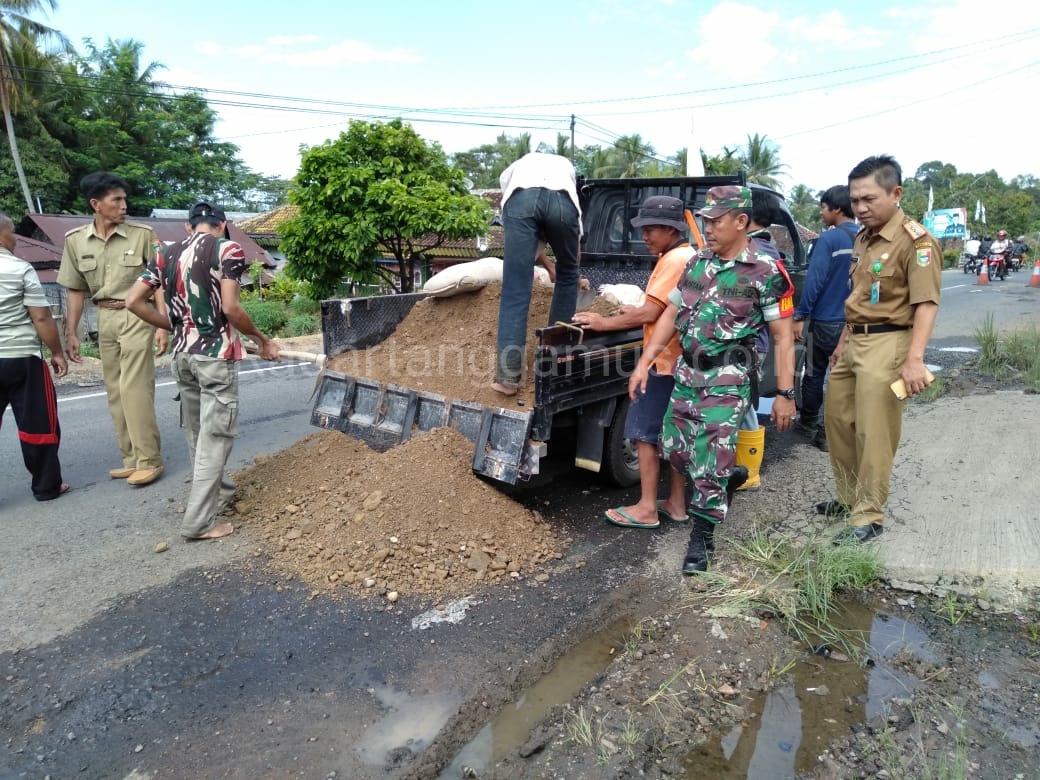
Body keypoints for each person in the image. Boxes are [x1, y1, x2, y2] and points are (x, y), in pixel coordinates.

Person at [630, 186, 796, 574]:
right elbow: (670, 314)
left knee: (707, 459)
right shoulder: (698, 263)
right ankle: (728, 475)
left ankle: (701, 542)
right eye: (704, 220)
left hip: (728, 377)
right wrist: (644, 363)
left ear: (740, 221)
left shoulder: (766, 270)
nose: (708, 228)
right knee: (673, 448)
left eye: (716, 220)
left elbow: (784, 335)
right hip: (687, 373)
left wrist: (786, 393)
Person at [127, 202, 280, 540]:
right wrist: (262, 340)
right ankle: (198, 523)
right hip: (213, 357)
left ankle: (220, 494)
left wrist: (175, 325)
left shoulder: (166, 252)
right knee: (216, 438)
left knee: (197, 434)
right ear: (222, 225)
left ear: (188, 227)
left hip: (182, 357)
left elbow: (133, 301)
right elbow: (230, 307)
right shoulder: (228, 248)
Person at [819, 155, 941, 544]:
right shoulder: (862, 237)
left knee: (874, 431)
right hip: (854, 338)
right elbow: (857, 295)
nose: (860, 207)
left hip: (890, 341)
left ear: (896, 193)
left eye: (869, 199)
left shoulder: (916, 241)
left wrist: (915, 360)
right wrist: (842, 343)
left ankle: (869, 514)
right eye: (855, 200)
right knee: (837, 420)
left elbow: (926, 303)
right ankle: (849, 497)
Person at [571, 196, 703, 529]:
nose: (644, 236)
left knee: (645, 434)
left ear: (671, 229)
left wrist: (602, 323)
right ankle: (675, 504)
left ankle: (646, 508)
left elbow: (653, 312)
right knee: (675, 435)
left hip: (663, 362)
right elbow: (653, 309)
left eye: (650, 229)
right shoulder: (686, 255)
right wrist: (634, 314)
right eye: (642, 229)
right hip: (680, 361)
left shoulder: (676, 259)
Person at [57, 172, 167, 486]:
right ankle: (131, 459)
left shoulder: (142, 234)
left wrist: (162, 323)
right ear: (96, 204)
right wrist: (71, 332)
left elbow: (158, 281)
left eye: (124, 198)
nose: (123, 205)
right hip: (104, 317)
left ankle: (149, 459)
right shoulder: (76, 241)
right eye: (116, 200)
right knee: (116, 392)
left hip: (138, 313)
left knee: (135, 388)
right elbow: (75, 290)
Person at [492, 152, 582, 396]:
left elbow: (528, 247)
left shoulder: (515, 173)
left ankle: (508, 378)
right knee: (568, 275)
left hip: (521, 200)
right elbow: (572, 251)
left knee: (515, 289)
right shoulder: (565, 169)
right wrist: (566, 270)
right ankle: (557, 361)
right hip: (563, 204)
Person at [0, 213, 69, 501]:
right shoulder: (18, 268)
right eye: (12, 232)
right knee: (38, 422)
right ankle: (46, 486)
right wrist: (57, 352)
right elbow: (41, 316)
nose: (16, 238)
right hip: (20, 357)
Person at [793, 185, 859, 452]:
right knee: (844, 379)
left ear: (837, 209)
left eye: (823, 207)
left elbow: (814, 281)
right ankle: (832, 432)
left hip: (825, 321)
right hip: (854, 323)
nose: (821, 212)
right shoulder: (867, 238)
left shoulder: (828, 240)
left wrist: (800, 314)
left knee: (814, 373)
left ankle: (811, 424)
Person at [735, 189, 793, 491]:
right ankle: (744, 469)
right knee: (743, 403)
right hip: (753, 344)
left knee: (743, 404)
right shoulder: (767, 248)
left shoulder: (759, 254)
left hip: (748, 345)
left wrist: (786, 392)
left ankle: (748, 472)